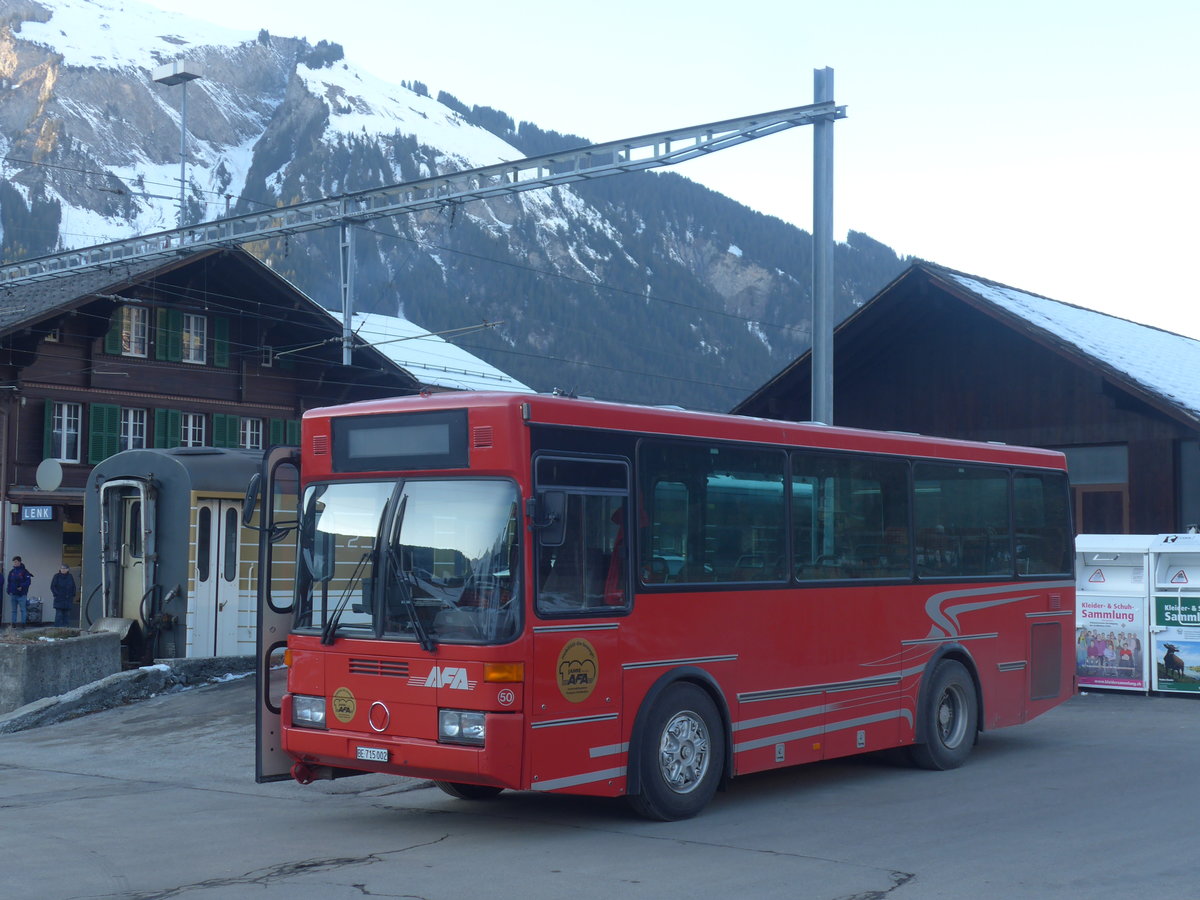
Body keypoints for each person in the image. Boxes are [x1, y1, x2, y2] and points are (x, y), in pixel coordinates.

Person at [7, 556, 32, 626]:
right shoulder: (11, 572)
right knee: (14, 611)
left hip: (22, 595)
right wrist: (8, 590)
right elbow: (9, 582)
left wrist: (22, 586)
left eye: (16, 562)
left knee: (23, 610)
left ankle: (23, 624)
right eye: (14, 562)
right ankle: (13, 624)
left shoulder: (25, 571)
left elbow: (28, 582)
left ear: (19, 562)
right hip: (13, 594)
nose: (14, 563)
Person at [51, 563, 77, 628]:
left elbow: (73, 586)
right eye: (62, 568)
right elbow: (53, 586)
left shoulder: (70, 576)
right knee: (59, 615)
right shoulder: (56, 576)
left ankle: (66, 630)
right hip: (59, 599)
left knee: (67, 616)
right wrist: (57, 594)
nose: (63, 569)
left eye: (64, 568)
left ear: (67, 569)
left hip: (68, 600)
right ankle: (57, 630)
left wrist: (72, 595)